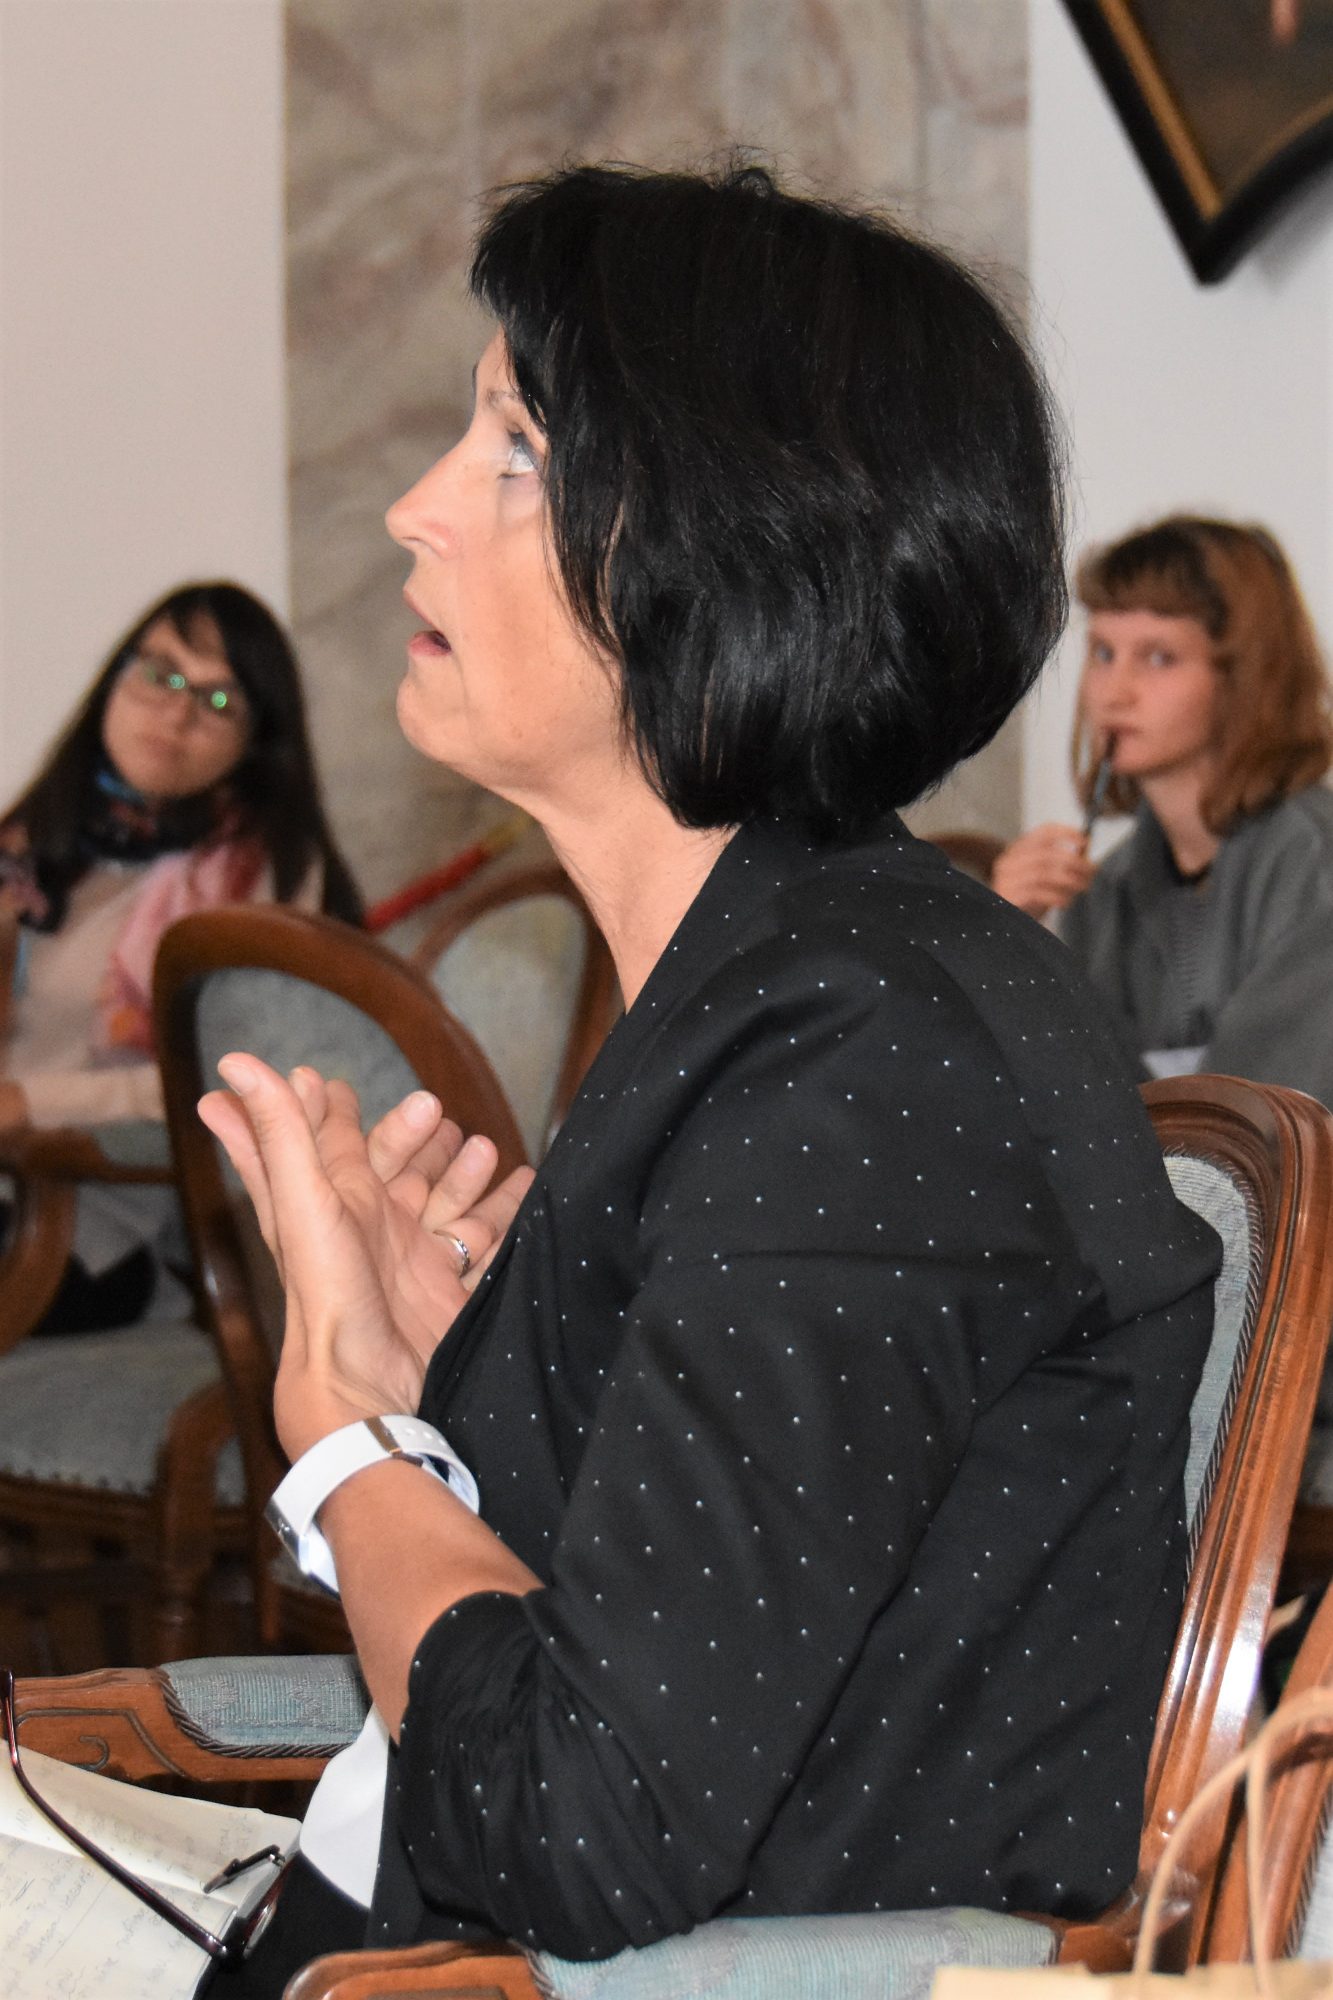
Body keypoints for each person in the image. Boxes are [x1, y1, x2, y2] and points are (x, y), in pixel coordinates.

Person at [200, 163, 1219, 1992]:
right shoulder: (784, 981)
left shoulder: (869, 1057)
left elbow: (579, 1829)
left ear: (730, 546)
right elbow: (677, 1647)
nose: (414, 505)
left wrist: (349, 1438)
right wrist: (451, 1408)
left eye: (516, 452)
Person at [0, 580, 361, 1332]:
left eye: (217, 701)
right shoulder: (30, 843)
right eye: (161, 674)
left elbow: (230, 1081)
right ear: (115, 678)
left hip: (107, 1224)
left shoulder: (261, 878)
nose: (175, 713)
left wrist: (30, 1102)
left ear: (254, 742)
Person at [992, 517, 1333, 1103]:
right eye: (1103, 653)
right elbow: (1074, 1105)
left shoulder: (1314, 862)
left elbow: (1271, 1123)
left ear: (1245, 678)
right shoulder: (1102, 889)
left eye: (1159, 658)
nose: (1114, 692)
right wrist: (1003, 936)